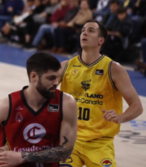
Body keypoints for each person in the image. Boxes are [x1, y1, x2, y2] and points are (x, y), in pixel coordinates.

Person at [0, 52, 78, 167]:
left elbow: (65, 151)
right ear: (34, 77)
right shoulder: (6, 106)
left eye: (57, 77)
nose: (56, 83)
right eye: (51, 78)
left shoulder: (66, 103)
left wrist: (22, 157)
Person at [59, 20, 143, 167]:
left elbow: (137, 106)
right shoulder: (65, 66)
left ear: (101, 40)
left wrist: (120, 117)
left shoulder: (113, 68)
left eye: (90, 30)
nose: (84, 32)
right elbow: (40, 92)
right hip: (70, 139)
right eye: (83, 30)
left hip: (100, 143)